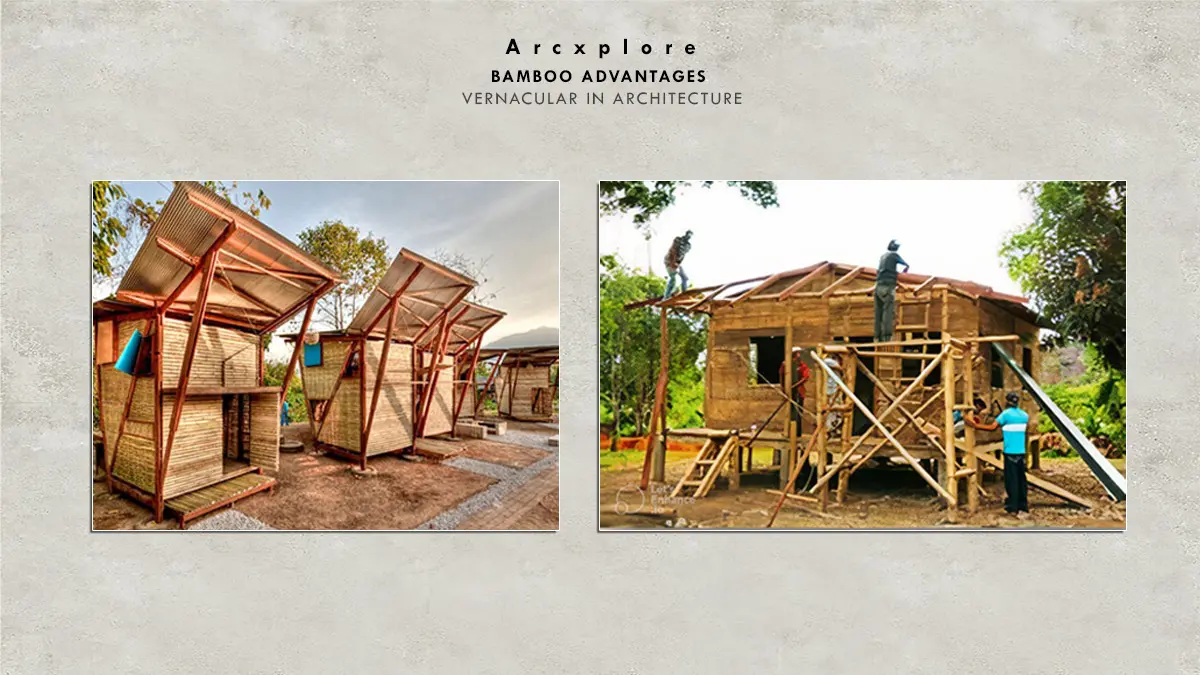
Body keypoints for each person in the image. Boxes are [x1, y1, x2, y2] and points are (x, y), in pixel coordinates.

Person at [967, 392, 1030, 515]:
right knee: (1021, 479)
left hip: (1010, 452)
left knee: (1011, 480)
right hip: (1021, 452)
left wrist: (975, 425)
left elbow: (992, 427)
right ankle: (1023, 505)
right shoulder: (1024, 415)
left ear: (1007, 402)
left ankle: (1012, 506)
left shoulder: (1005, 414)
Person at [873, 239, 910, 343]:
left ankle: (877, 337)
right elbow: (906, 265)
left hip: (878, 285)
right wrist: (904, 272)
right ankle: (886, 337)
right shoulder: (894, 255)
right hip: (888, 286)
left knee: (878, 311)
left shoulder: (883, 257)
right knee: (887, 311)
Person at [778, 348, 811, 436]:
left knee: (798, 412)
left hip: (799, 391)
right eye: (797, 353)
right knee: (789, 411)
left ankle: (797, 433)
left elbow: (805, 377)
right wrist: (783, 389)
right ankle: (788, 432)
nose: (799, 355)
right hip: (789, 392)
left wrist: (794, 386)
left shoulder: (802, 365)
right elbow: (781, 375)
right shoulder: (786, 364)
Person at [662, 230, 693, 299]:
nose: (688, 237)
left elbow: (683, 255)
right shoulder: (678, 239)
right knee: (673, 278)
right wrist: (673, 263)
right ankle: (666, 296)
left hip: (677, 262)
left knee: (685, 278)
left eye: (690, 236)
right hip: (669, 260)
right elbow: (673, 250)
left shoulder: (688, 245)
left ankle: (684, 293)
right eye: (688, 234)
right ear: (686, 234)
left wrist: (678, 264)